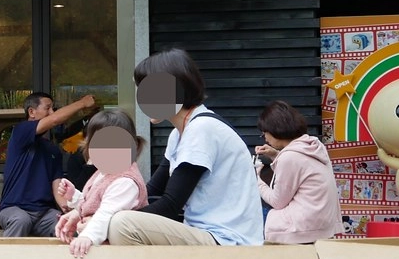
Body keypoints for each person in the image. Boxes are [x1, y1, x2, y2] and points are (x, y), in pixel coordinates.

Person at [108, 48, 264, 246]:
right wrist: (98, 213)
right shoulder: (180, 133)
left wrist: (106, 220)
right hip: (205, 233)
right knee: (116, 221)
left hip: (227, 241)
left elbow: (170, 205)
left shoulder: (202, 129)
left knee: (122, 224)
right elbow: (148, 192)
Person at [0, 92, 96, 237]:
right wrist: (82, 103)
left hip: (44, 214)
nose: (52, 112)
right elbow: (55, 120)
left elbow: (57, 185)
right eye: (48, 108)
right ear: (31, 112)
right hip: (14, 208)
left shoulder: (53, 149)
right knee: (21, 220)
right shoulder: (20, 132)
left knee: (69, 225)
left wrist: (66, 207)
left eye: (53, 109)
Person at [54, 109, 148, 257]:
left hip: (124, 251)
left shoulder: (125, 181)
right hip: (103, 246)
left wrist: (88, 236)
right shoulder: (102, 173)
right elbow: (92, 203)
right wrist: (74, 196)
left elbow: (106, 213)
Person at [253, 100, 343, 243]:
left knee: (250, 216)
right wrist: (275, 155)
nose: (265, 138)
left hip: (303, 227)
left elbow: (277, 202)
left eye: (265, 133)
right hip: (323, 224)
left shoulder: (290, 157)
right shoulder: (313, 146)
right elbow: (300, 172)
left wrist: (256, 181)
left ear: (275, 130)